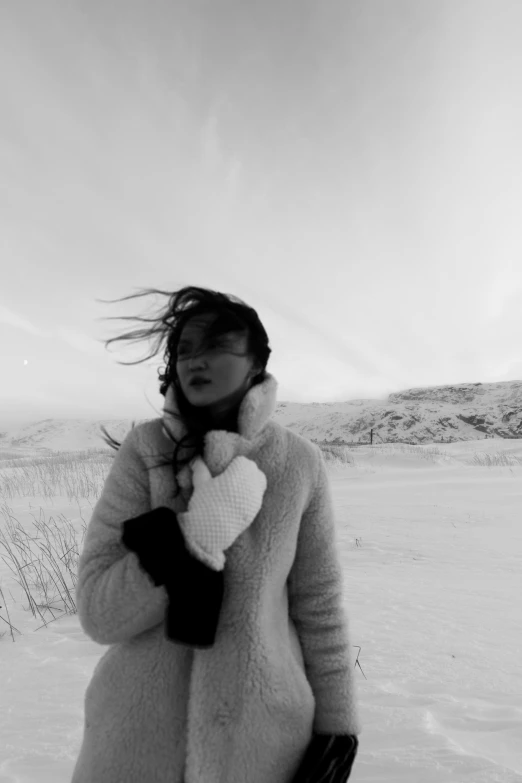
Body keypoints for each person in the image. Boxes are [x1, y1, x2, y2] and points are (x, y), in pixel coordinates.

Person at [71, 285, 361, 783]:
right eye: (184, 349)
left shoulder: (297, 463)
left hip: (262, 743)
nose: (194, 361)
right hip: (133, 745)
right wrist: (192, 538)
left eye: (215, 346)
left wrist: (339, 727)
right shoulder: (145, 450)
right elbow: (99, 612)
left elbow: (319, 604)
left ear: (256, 363)